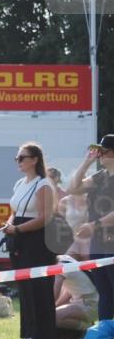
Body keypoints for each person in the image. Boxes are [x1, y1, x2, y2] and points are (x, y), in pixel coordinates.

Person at [0, 142, 57, 339]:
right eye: (17, 158)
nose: (18, 161)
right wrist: (9, 225)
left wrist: (17, 229)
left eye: (22, 157)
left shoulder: (43, 184)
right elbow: (15, 212)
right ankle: (29, 334)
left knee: (38, 288)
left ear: (34, 160)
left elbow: (44, 217)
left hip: (38, 241)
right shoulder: (19, 183)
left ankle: (41, 335)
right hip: (20, 239)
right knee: (25, 288)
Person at [67, 135, 114, 326]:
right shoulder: (100, 176)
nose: (99, 154)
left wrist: (94, 225)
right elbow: (73, 188)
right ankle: (104, 332)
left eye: (103, 151)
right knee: (104, 290)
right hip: (98, 241)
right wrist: (86, 162)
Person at [54, 254, 99, 337]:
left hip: (89, 304)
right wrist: (56, 306)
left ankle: (88, 329)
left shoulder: (60, 267)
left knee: (52, 317)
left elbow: (53, 296)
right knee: (53, 313)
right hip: (87, 301)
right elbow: (69, 292)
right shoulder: (64, 257)